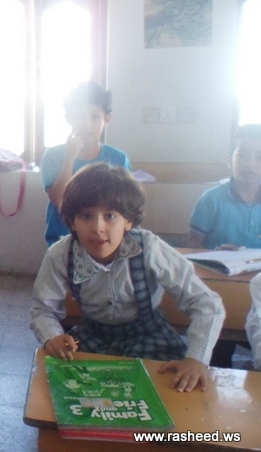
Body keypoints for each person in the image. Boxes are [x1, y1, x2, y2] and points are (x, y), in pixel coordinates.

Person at [30, 163, 225, 393]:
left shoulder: (149, 248)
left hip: (149, 337)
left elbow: (206, 303)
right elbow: (42, 309)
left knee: (161, 394)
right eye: (86, 216)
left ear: (129, 220)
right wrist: (52, 336)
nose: (98, 228)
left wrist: (196, 358)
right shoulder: (61, 254)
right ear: (72, 221)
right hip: (92, 338)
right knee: (73, 392)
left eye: (110, 216)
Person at [41, 80, 131, 246]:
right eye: (79, 117)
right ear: (69, 119)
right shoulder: (54, 156)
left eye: (95, 117)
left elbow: (126, 207)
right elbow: (59, 201)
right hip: (64, 240)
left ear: (107, 119)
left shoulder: (118, 159)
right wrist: (70, 157)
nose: (87, 124)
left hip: (104, 241)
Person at [189, 123, 261, 250]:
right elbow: (193, 244)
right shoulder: (211, 199)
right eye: (243, 155)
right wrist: (216, 254)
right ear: (229, 161)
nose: (250, 163)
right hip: (215, 262)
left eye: (259, 157)